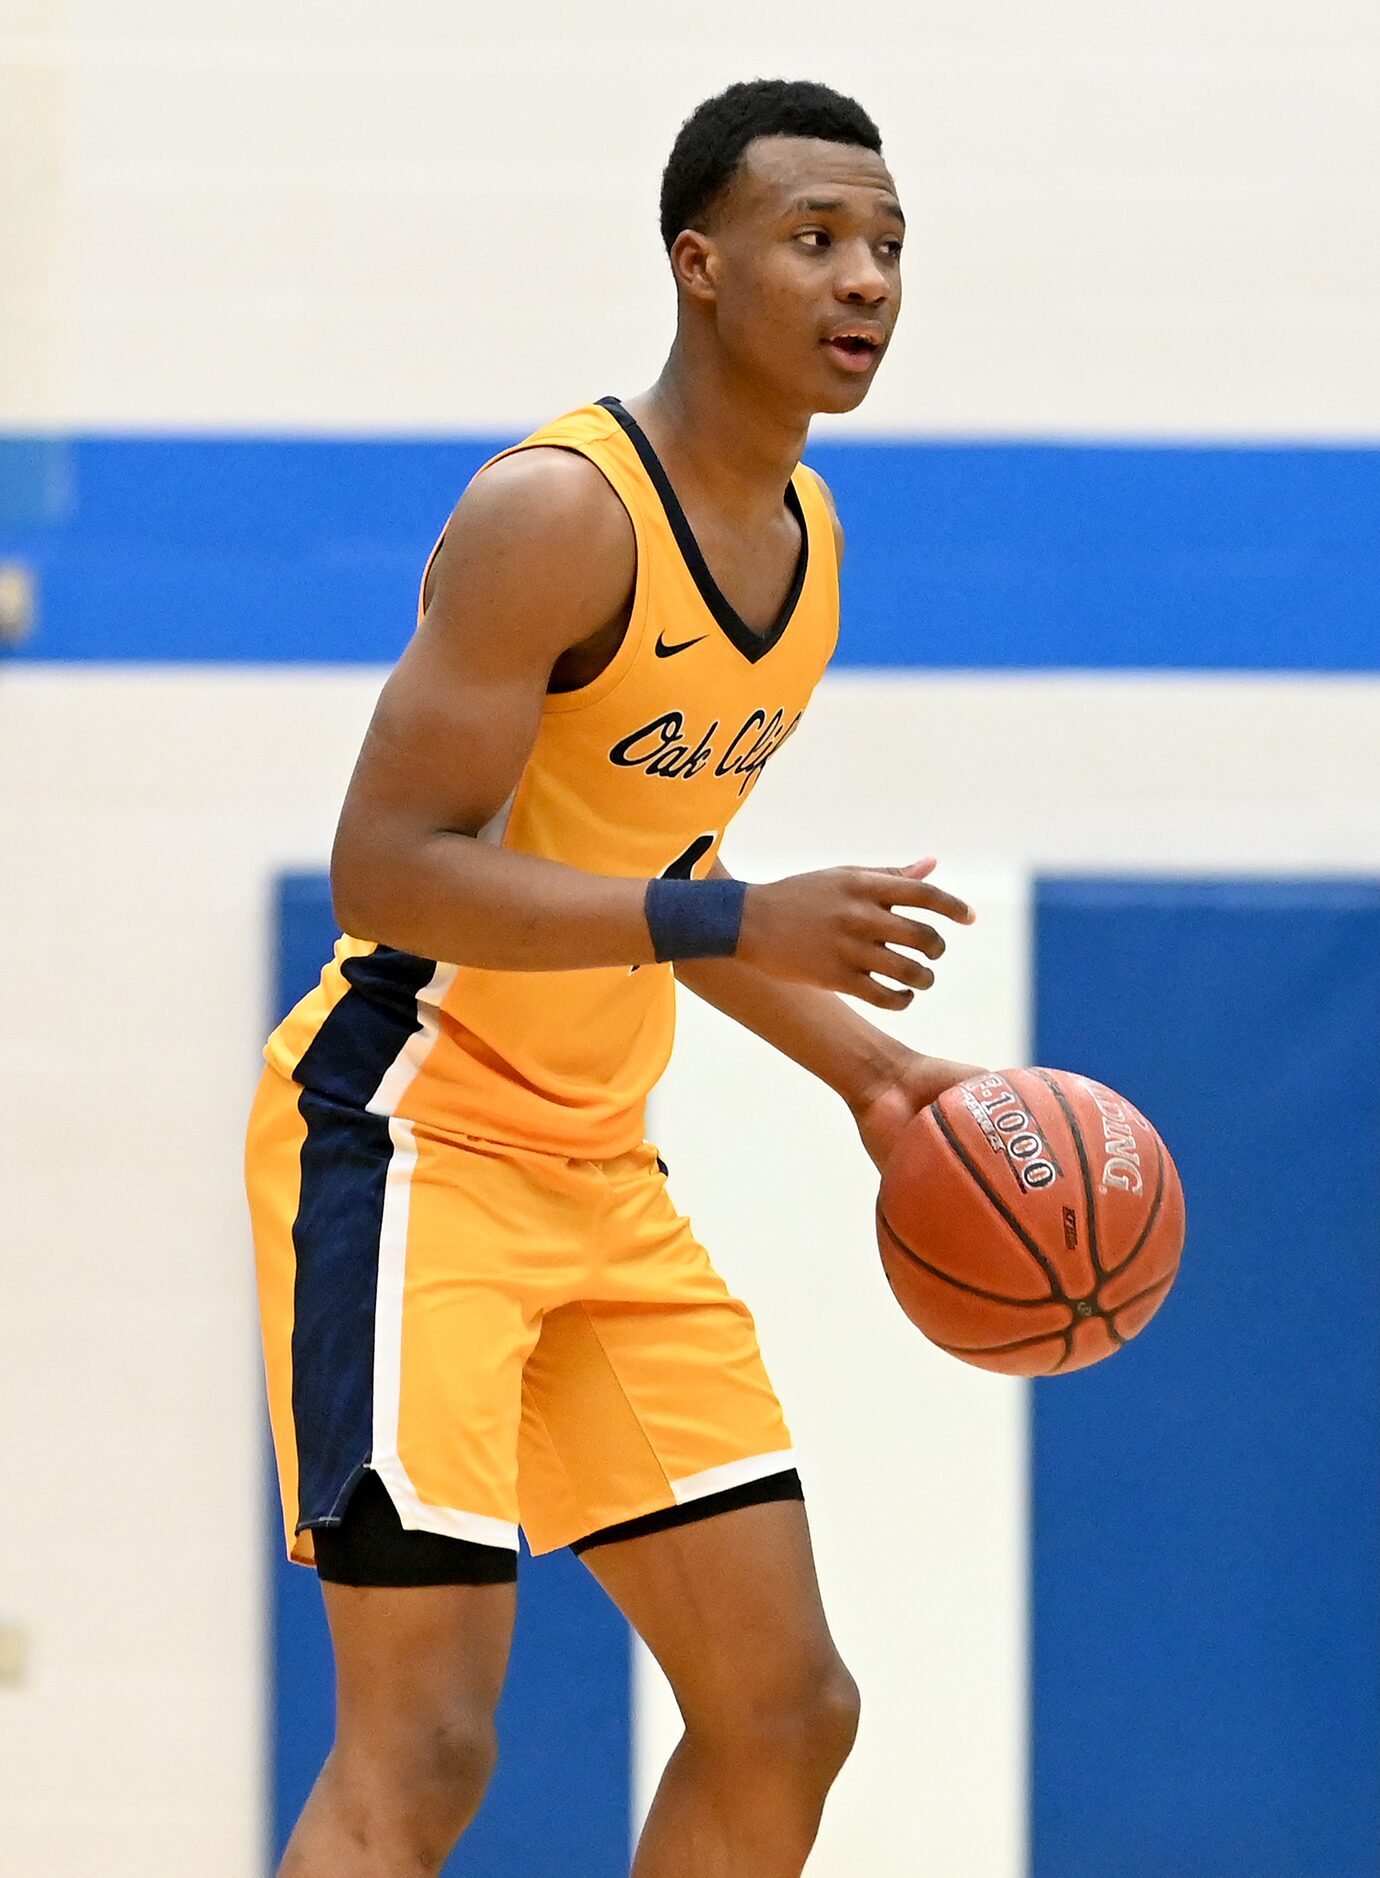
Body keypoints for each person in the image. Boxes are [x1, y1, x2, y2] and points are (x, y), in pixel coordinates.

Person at [245, 75, 979, 1878]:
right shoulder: (556, 513)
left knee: (787, 1708)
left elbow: (652, 855)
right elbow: (391, 867)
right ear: (701, 264)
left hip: (598, 1168)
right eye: (817, 239)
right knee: (423, 1745)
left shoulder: (805, 564)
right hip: (407, 1140)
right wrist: (726, 921)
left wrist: (877, 1075)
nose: (864, 278)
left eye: (887, 246)